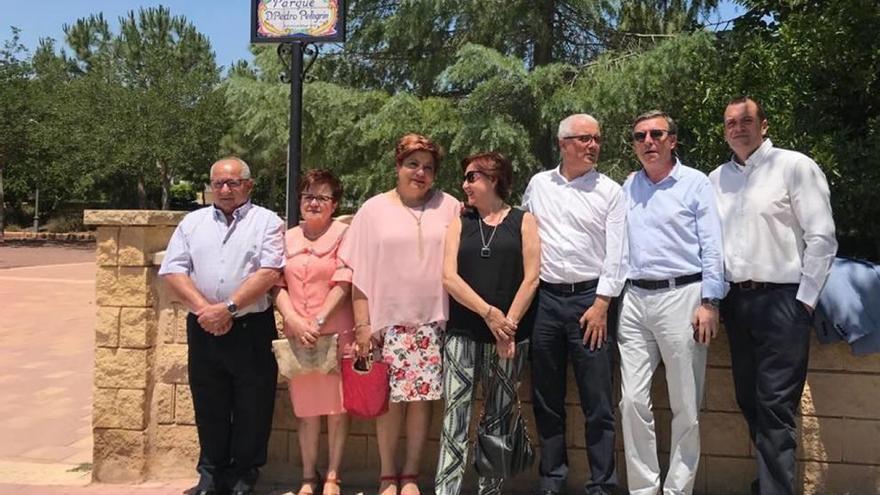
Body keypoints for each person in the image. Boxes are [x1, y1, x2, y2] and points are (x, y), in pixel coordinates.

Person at [709, 97, 837, 495]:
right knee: (749, 399)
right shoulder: (716, 179)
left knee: (776, 406)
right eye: (730, 122)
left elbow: (822, 238)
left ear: (763, 125)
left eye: (746, 120)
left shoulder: (794, 166)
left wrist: (805, 302)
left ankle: (774, 489)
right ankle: (769, 480)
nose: (738, 128)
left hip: (784, 302)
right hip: (737, 304)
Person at [338, 133, 460, 495]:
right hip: (385, 323)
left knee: (422, 402)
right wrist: (363, 324)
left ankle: (410, 476)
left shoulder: (450, 207)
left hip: (432, 321)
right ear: (398, 166)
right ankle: (387, 475)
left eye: (428, 167)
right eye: (412, 164)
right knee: (389, 402)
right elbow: (358, 273)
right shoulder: (373, 210)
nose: (420, 172)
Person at [159, 157, 284, 495]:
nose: (226, 189)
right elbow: (173, 269)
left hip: (251, 327)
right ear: (211, 186)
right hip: (203, 328)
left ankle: (244, 476)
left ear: (249, 185)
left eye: (233, 183)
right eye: (218, 184)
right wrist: (207, 312)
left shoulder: (268, 222)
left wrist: (228, 309)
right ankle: (211, 476)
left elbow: (270, 272)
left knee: (253, 405)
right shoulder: (192, 222)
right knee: (209, 402)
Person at [617, 111, 725, 494]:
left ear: (672, 140)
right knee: (631, 401)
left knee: (686, 403)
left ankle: (678, 489)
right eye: (639, 136)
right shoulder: (628, 186)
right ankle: (644, 489)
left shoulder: (695, 183)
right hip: (634, 300)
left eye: (656, 134)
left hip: (684, 297)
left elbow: (713, 247)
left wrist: (710, 301)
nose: (648, 141)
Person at [521, 114, 626, 495]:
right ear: (564, 143)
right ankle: (552, 480)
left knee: (598, 400)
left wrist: (602, 304)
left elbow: (617, 254)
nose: (593, 145)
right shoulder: (538, 185)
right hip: (545, 301)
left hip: (590, 303)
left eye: (597, 138)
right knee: (546, 397)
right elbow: (525, 238)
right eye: (584, 139)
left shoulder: (610, 191)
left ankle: (601, 484)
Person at [435, 152, 540, 495]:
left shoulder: (523, 221)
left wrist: (507, 325)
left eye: (471, 177)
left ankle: (490, 491)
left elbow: (532, 277)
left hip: (509, 339)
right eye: (465, 178)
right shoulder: (460, 223)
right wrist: (489, 313)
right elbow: (449, 277)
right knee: (455, 420)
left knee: (497, 422)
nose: (465, 185)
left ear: (493, 179)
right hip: (463, 336)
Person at [272, 169, 353, 495]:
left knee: (337, 409)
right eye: (308, 196)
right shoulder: (286, 238)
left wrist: (317, 321)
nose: (314, 203)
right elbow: (276, 283)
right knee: (305, 410)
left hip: (335, 332)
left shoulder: (344, 236)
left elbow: (344, 282)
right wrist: (293, 319)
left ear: (334, 204)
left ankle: (333, 475)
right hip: (298, 334)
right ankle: (308, 476)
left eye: (322, 197)